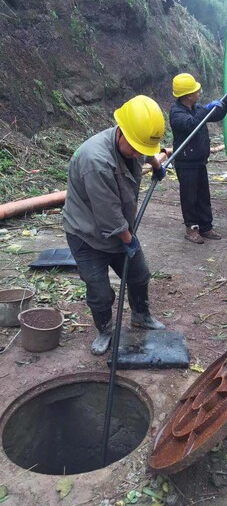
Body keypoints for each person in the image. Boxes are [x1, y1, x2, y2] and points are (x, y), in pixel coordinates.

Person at [63, 95, 167, 355]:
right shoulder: (96, 162)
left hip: (120, 229)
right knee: (100, 291)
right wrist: (128, 240)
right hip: (86, 234)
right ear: (119, 132)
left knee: (139, 275)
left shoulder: (133, 140)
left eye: (141, 150)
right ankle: (105, 330)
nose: (137, 154)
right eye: (135, 149)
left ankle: (140, 315)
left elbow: (145, 150)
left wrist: (155, 163)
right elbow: (109, 216)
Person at [169, 73, 227, 244]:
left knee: (203, 196)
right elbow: (191, 124)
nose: (199, 92)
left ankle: (206, 227)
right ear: (187, 95)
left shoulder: (195, 109)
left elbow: (217, 115)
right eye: (195, 91)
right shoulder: (177, 113)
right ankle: (191, 229)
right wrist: (206, 108)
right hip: (186, 163)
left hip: (199, 160)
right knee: (189, 197)